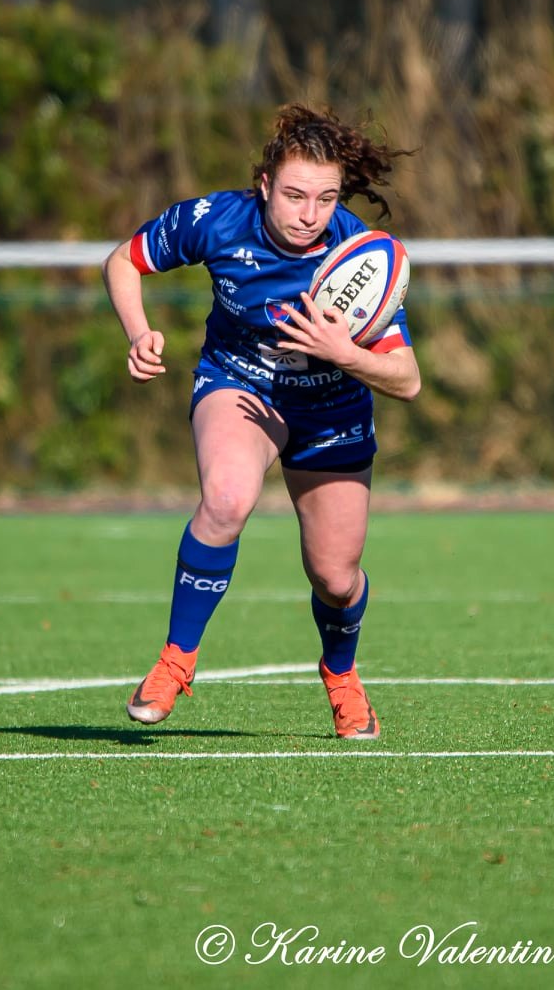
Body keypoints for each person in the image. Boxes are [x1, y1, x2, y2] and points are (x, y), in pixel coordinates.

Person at [102, 104, 421, 739]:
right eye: (297, 195)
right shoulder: (216, 220)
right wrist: (138, 333)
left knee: (335, 577)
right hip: (240, 384)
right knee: (225, 498)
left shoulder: (358, 256)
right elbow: (123, 261)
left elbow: (408, 380)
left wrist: (346, 353)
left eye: (327, 198)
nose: (311, 214)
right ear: (266, 184)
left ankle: (341, 675)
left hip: (332, 405)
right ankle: (176, 660)